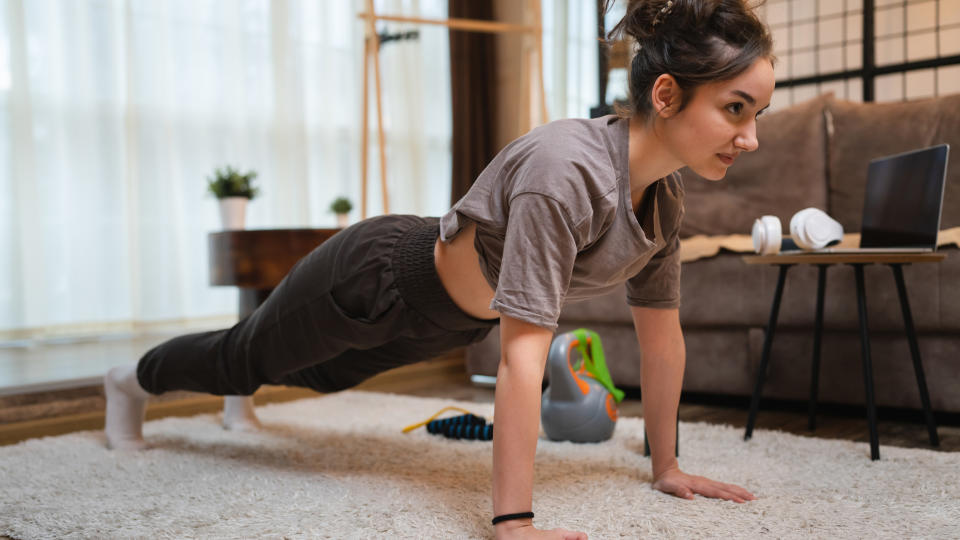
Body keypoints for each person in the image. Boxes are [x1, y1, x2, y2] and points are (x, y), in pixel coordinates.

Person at [104, 0, 776, 537]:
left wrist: (667, 467)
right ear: (666, 95)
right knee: (240, 357)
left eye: (758, 114)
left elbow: (663, 342)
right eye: (734, 110)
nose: (751, 138)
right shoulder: (565, 172)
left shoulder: (663, 199)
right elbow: (521, 361)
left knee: (309, 376)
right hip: (374, 280)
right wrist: (512, 522)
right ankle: (128, 384)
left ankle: (239, 388)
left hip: (444, 323)